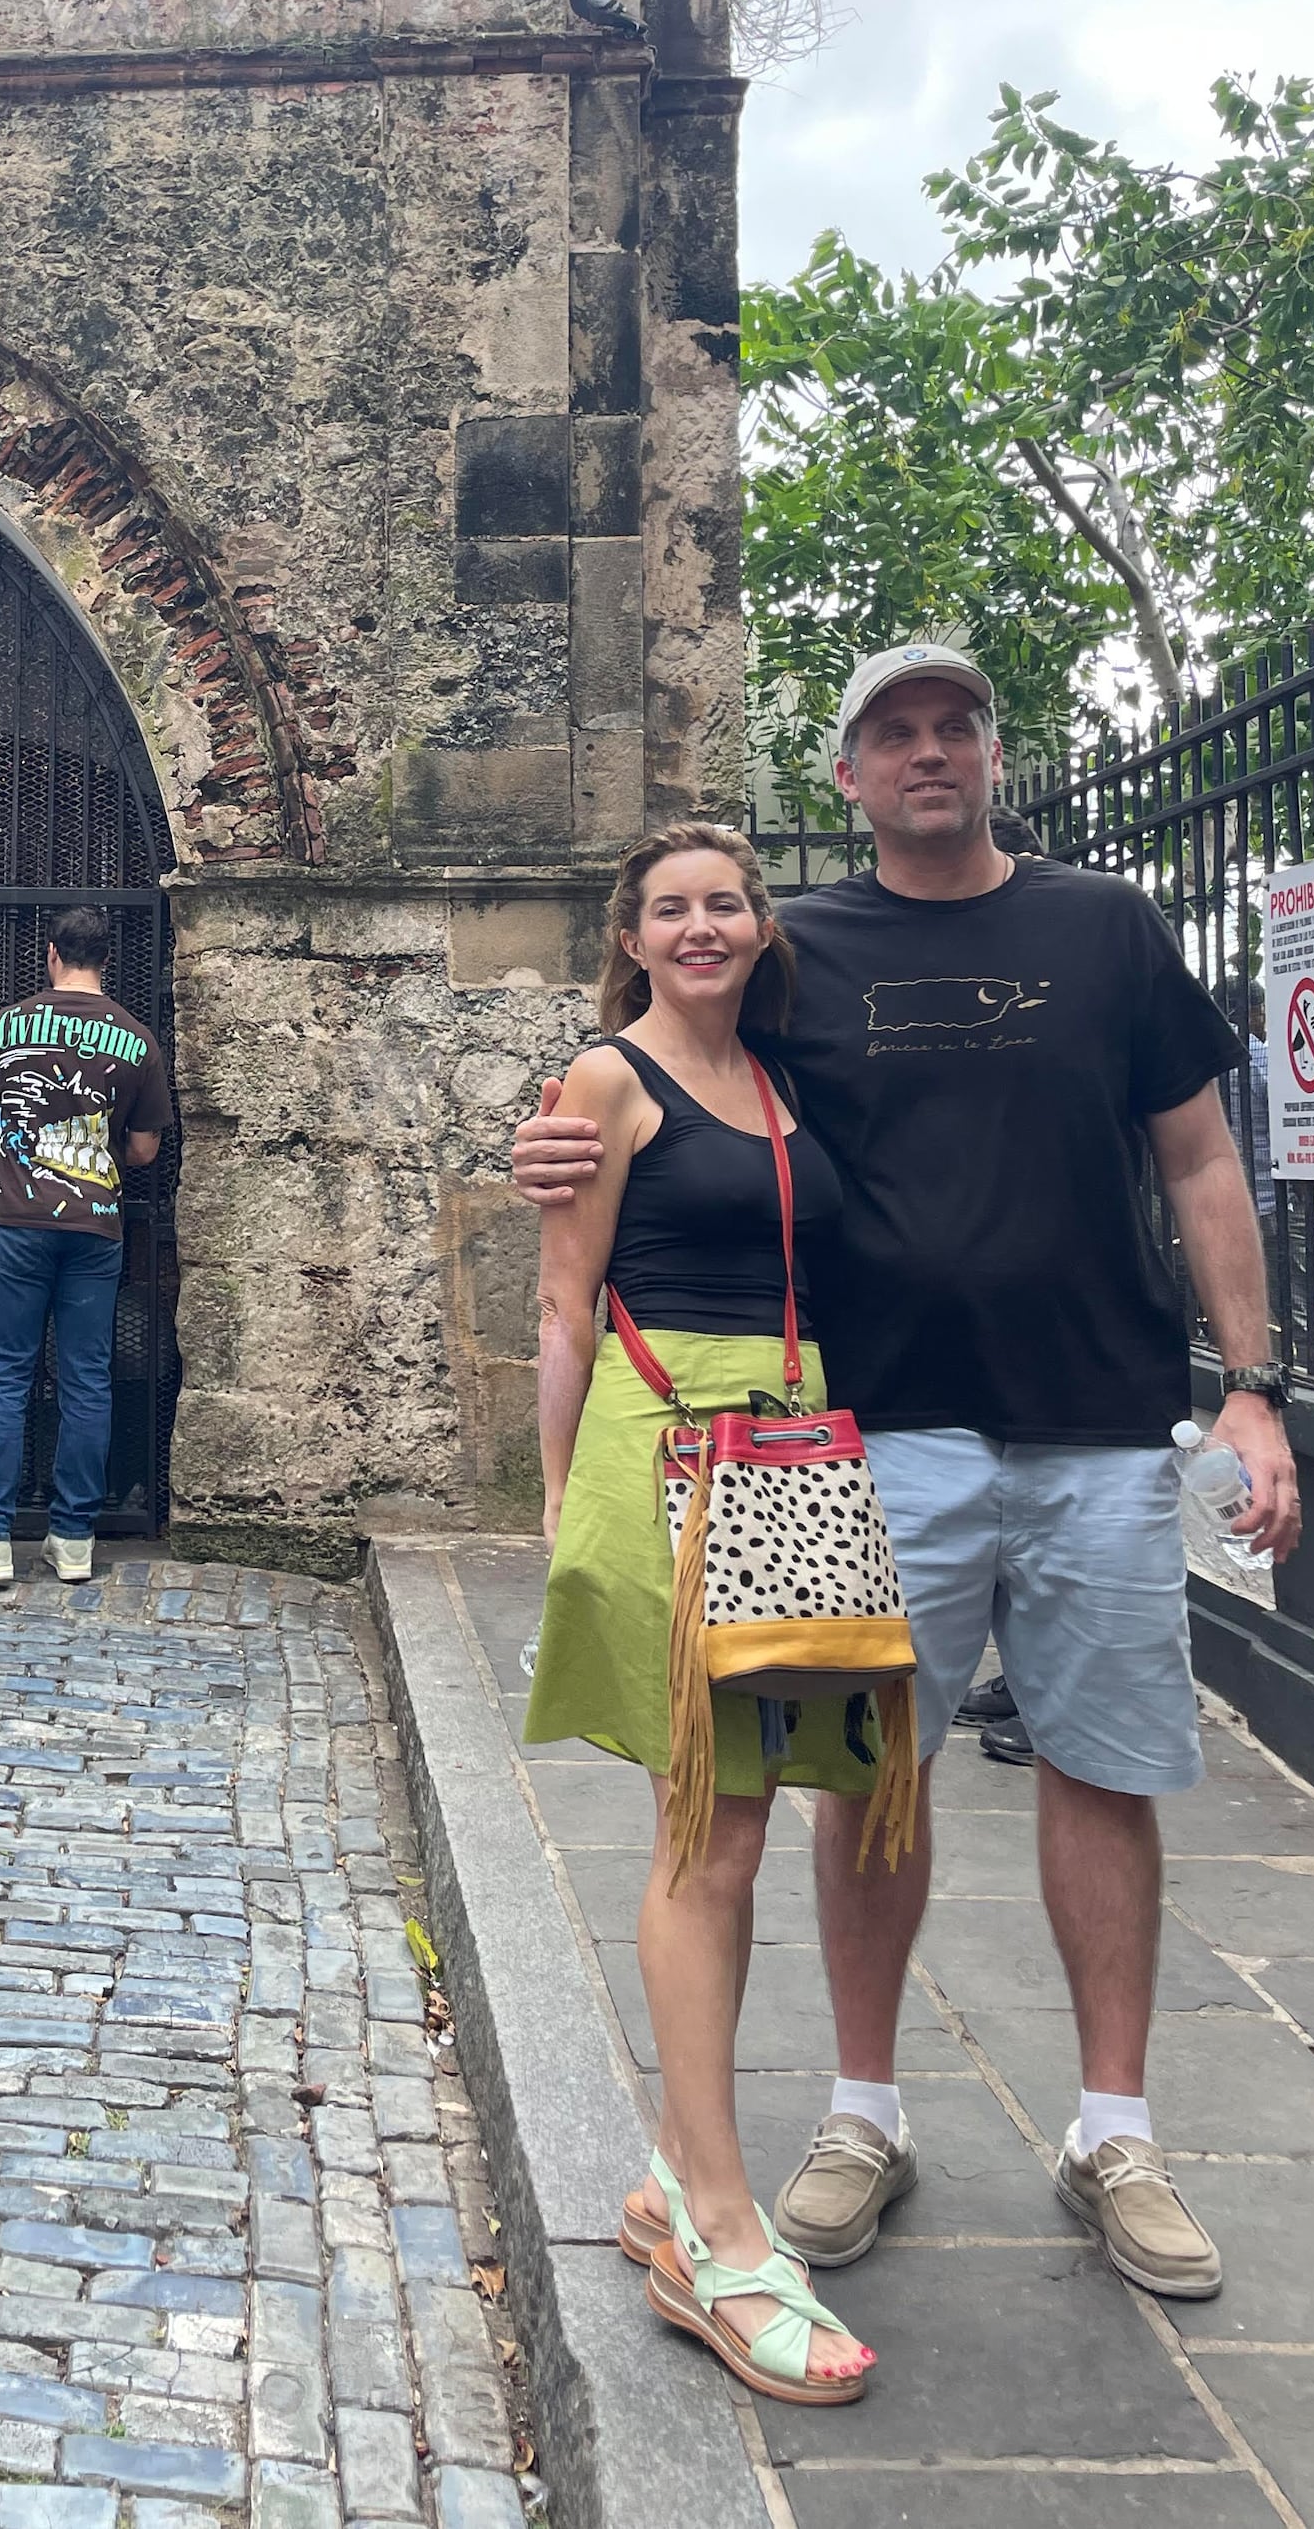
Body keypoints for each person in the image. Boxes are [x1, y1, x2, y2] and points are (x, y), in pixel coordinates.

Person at [514, 643, 1301, 2301]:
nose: (929, 753)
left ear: (990, 754)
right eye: (894, 734)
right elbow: (681, 1069)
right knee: (863, 1772)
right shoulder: (809, 951)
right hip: (868, 1433)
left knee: (1105, 1762)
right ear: (853, 775)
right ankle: (863, 2109)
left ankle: (1114, 2129)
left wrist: (1254, 1391)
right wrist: (553, 1132)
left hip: (1097, 1418)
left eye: (954, 726)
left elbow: (1202, 1155)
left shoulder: (1106, 927)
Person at [526, 824, 878, 2404]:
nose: (701, 925)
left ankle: (680, 2171)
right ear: (633, 934)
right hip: (669, 1455)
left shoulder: (782, 1077)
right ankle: (722, 2236)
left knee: (744, 1818)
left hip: (786, 1457)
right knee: (712, 1828)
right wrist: (560, 1519)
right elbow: (562, 1300)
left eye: (726, 902)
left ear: (760, 926)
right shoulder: (609, 1079)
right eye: (670, 907)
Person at [0, 904, 173, 1592]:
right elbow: (145, 1147)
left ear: (51, 954)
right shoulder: (137, 1039)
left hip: (17, 1219)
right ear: (105, 959)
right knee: (87, 1379)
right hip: (96, 1226)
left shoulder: (7, 1026)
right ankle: (72, 1538)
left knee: (5, 1375)